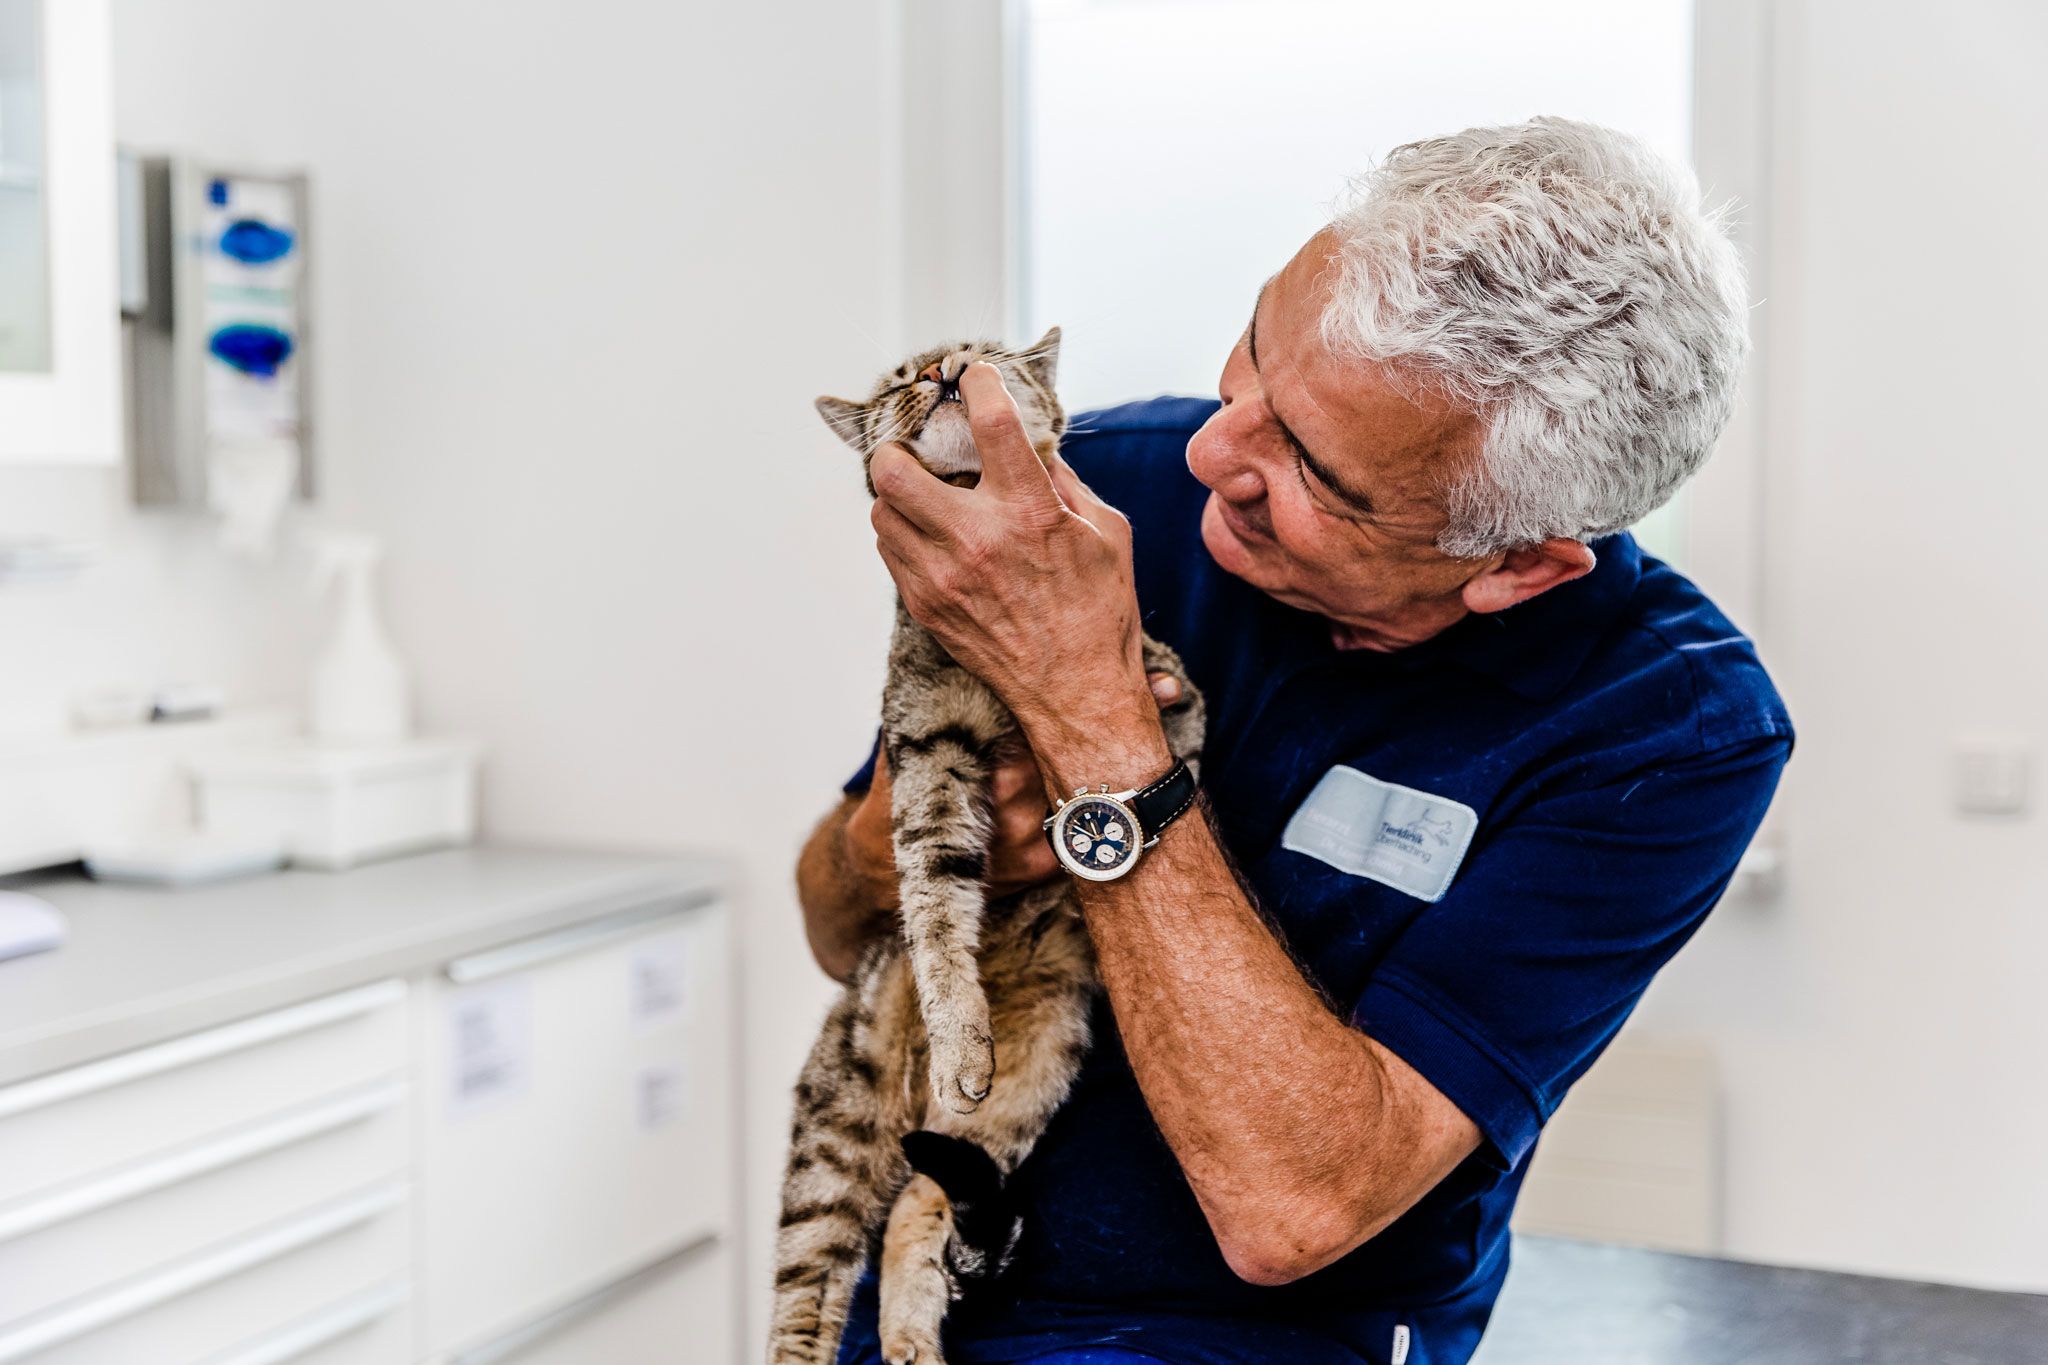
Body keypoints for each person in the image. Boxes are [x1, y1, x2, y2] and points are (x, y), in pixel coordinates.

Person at [797, 118, 1792, 1365]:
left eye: (1314, 470)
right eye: (1251, 362)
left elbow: (1292, 1207)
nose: (1220, 454)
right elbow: (836, 933)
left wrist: (1085, 708)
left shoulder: (1668, 728)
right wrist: (887, 855)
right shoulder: (1110, 491)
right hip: (917, 1294)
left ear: (1516, 563)